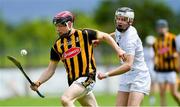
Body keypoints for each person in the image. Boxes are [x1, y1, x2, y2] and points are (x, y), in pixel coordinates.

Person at [30, 11, 125, 107]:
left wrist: (119, 50)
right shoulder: (57, 46)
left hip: (87, 77)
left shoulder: (84, 34)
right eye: (56, 26)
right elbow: (50, 69)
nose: (58, 29)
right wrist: (38, 82)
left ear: (70, 24)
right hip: (74, 83)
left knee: (66, 99)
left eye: (60, 26)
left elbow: (105, 36)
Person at [97, 7, 151, 106]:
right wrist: (101, 39)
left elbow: (128, 65)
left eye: (123, 19)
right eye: (118, 18)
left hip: (139, 76)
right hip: (126, 75)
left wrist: (106, 74)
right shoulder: (121, 29)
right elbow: (116, 34)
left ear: (130, 21)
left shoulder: (130, 39)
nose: (119, 22)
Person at [152, 19, 180, 106]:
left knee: (174, 93)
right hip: (160, 70)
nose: (161, 29)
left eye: (163, 27)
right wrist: (155, 64)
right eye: (159, 28)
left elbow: (178, 52)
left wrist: (173, 56)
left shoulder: (173, 38)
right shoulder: (155, 42)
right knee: (162, 94)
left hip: (171, 70)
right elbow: (155, 55)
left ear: (167, 28)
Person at [144, 35, 156, 105]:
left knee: (152, 83)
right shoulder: (143, 49)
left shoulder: (154, 50)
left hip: (152, 68)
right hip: (145, 68)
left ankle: (152, 97)